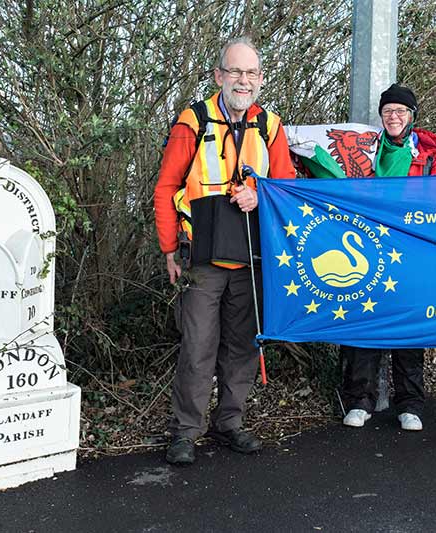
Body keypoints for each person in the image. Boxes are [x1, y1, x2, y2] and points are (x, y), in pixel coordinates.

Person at [154, 37, 295, 465]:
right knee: (197, 344)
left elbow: (287, 188)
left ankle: (229, 422)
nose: (243, 80)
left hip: (252, 257)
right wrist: (168, 251)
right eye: (235, 72)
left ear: (260, 80)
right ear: (218, 76)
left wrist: (259, 194)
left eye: (251, 73)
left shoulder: (270, 126)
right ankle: (185, 431)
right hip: (202, 256)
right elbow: (165, 189)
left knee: (243, 346)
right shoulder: (192, 121)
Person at [340, 83, 436, 431]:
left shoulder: (428, 157)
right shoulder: (367, 150)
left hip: (412, 251)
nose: (394, 117)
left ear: (412, 116)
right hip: (371, 248)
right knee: (365, 322)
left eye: (401, 112)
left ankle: (410, 403)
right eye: (388, 112)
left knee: (409, 326)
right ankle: (360, 401)